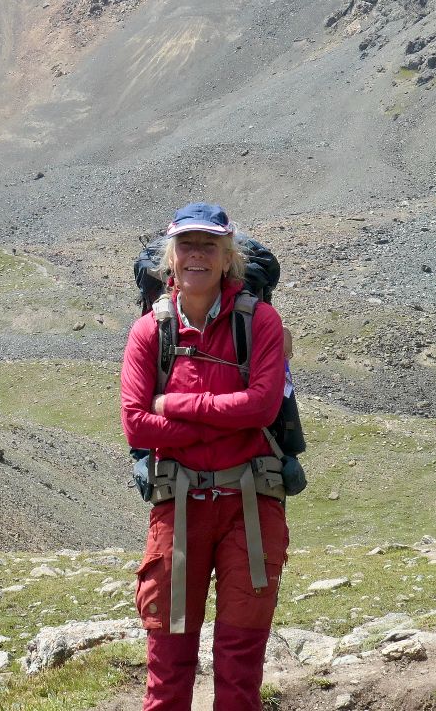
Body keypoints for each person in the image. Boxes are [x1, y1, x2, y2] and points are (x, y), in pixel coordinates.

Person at [121, 202, 289, 711]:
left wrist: (176, 407)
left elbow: (262, 406)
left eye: (209, 245)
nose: (198, 255)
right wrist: (224, 416)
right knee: (168, 667)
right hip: (179, 505)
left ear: (226, 256)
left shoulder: (259, 321)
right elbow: (135, 423)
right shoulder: (150, 331)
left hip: (250, 505)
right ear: (171, 259)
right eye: (187, 245)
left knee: (240, 666)